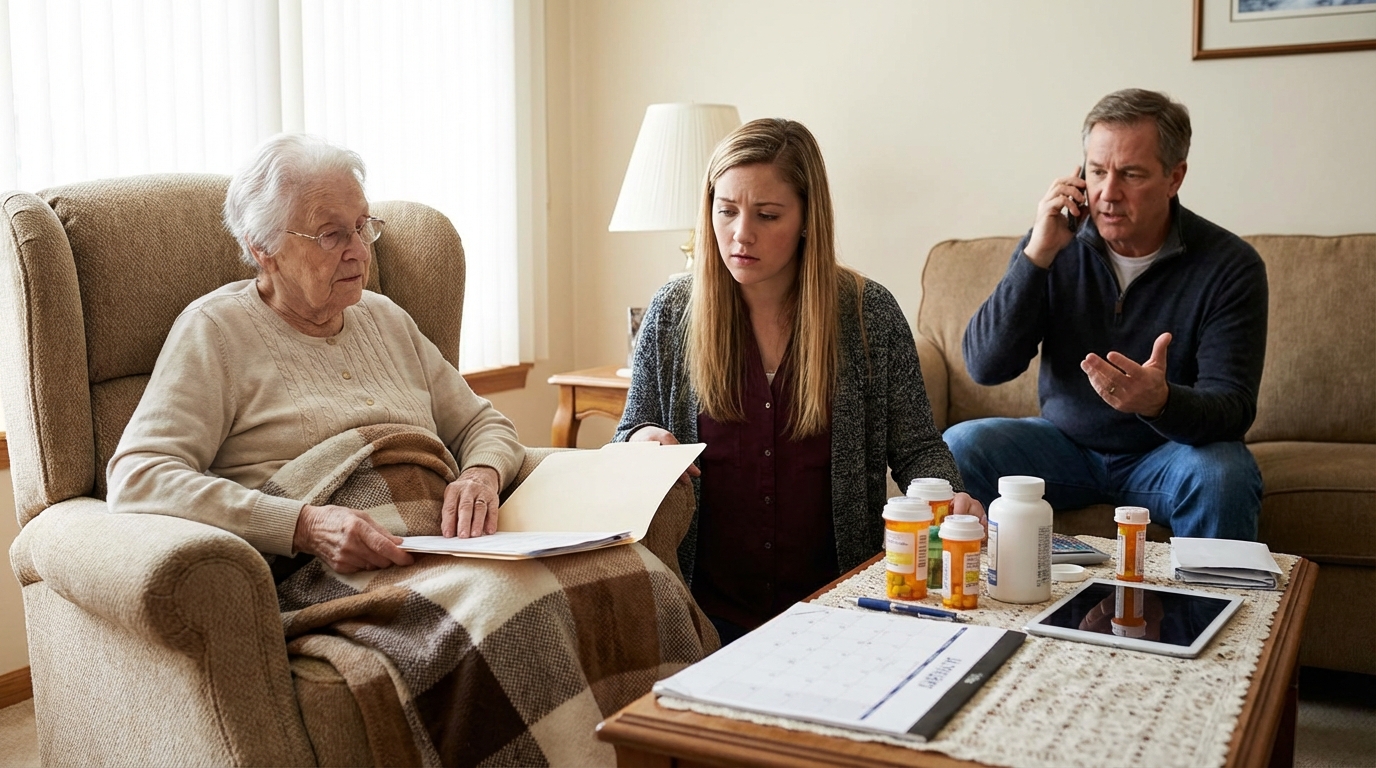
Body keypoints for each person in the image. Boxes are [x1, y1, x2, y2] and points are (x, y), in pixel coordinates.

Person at [107, 134, 714, 766]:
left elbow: (486, 425)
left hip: (442, 540)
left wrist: (479, 475)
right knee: (511, 611)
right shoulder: (216, 331)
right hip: (341, 569)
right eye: (330, 233)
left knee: (631, 576)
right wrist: (305, 524)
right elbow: (139, 475)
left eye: (364, 226)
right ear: (264, 250)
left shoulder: (385, 319)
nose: (358, 250)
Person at [615, 118, 981, 644]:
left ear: (809, 218)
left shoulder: (867, 314)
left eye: (767, 215)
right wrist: (640, 441)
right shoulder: (672, 314)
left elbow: (918, 448)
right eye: (726, 211)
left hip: (839, 608)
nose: (742, 233)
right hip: (703, 616)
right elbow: (631, 431)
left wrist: (954, 496)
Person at [944, 89, 1267, 540]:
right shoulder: (1054, 244)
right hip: (1063, 448)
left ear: (1175, 177)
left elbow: (1233, 409)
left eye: (1131, 174)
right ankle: (970, 604)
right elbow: (985, 365)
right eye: (1097, 172)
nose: (1108, 194)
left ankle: (1211, 610)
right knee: (959, 447)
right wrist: (1037, 254)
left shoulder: (1230, 266)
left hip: (1169, 455)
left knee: (1222, 473)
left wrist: (1161, 402)